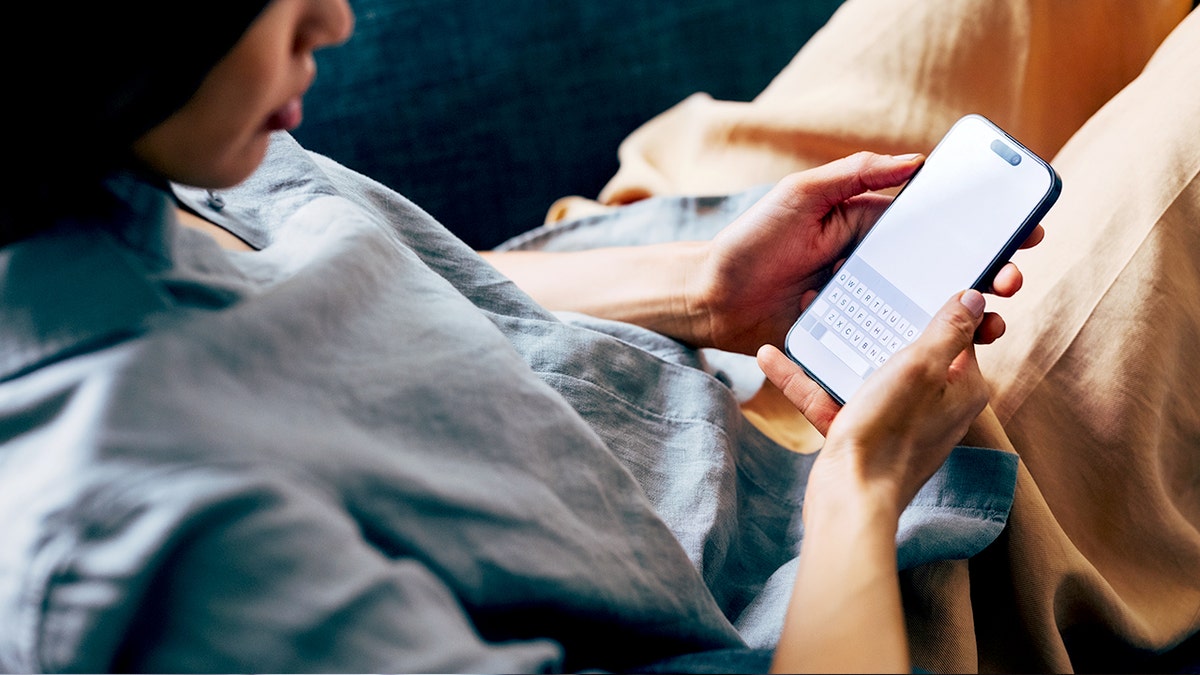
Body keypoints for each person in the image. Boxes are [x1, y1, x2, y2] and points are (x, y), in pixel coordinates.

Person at [0, 2, 1195, 674]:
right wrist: (866, 483)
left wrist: (701, 291)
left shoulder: (99, 155)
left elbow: (355, 299)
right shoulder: (170, 560)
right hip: (848, 565)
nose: (333, 16)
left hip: (642, 310)